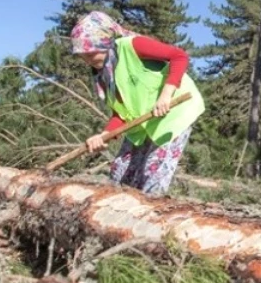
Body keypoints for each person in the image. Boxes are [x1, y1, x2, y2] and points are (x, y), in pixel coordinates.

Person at [69, 11, 205, 196]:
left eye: (92, 53)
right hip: (142, 125)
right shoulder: (103, 75)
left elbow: (179, 56)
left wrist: (166, 95)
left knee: (152, 174)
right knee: (119, 173)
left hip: (174, 113)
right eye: (83, 55)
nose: (88, 60)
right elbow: (121, 114)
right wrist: (104, 135)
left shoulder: (133, 46)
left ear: (105, 43)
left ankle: (151, 217)